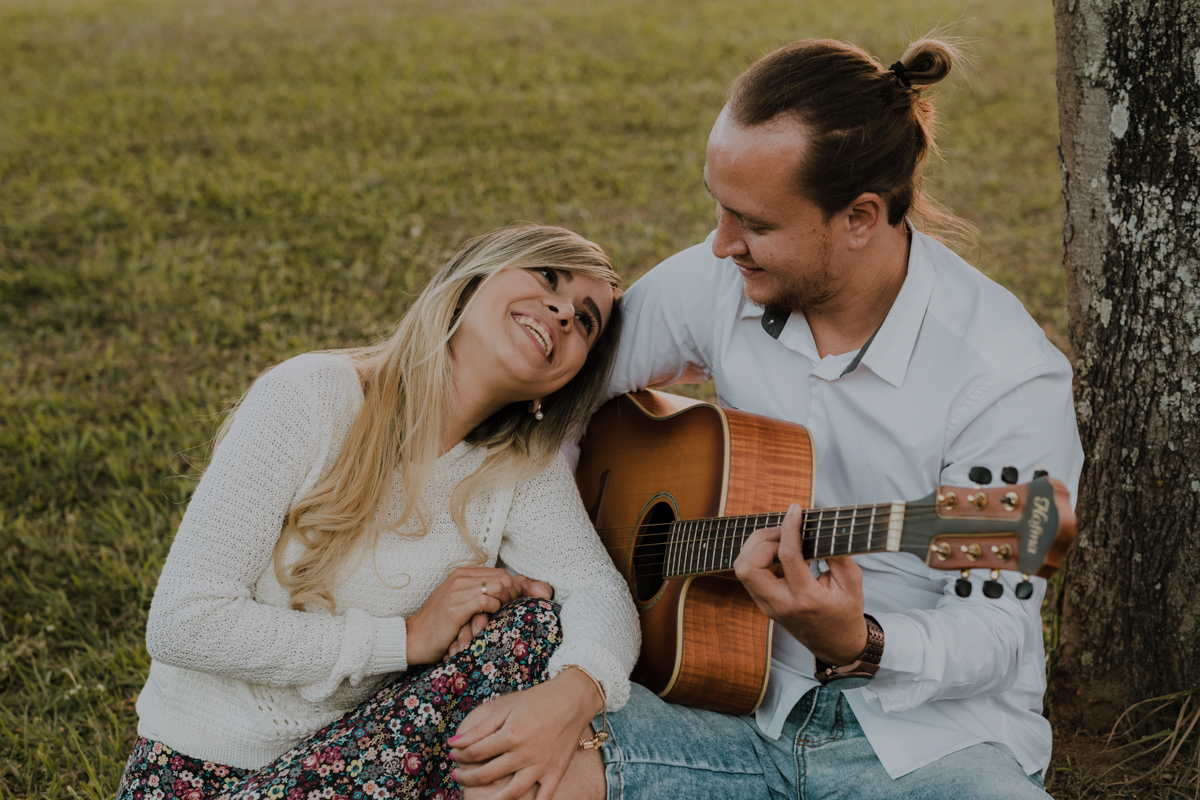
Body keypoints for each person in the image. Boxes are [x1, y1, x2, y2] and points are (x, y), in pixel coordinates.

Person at [451, 38, 1084, 800]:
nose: (720, 243)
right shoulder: (722, 277)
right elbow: (560, 405)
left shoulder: (1005, 377)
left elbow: (997, 632)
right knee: (494, 766)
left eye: (752, 222)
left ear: (860, 217)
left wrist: (858, 641)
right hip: (714, 705)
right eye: (718, 206)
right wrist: (577, 576)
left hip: (925, 743)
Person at [115, 225, 639, 800]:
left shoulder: (519, 469)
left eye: (585, 321)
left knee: (530, 628)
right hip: (197, 771)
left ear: (565, 380)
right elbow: (184, 622)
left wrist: (575, 693)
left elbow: (599, 592)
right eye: (548, 277)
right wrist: (407, 638)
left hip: (365, 763)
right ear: (471, 282)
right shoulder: (311, 396)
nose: (563, 312)